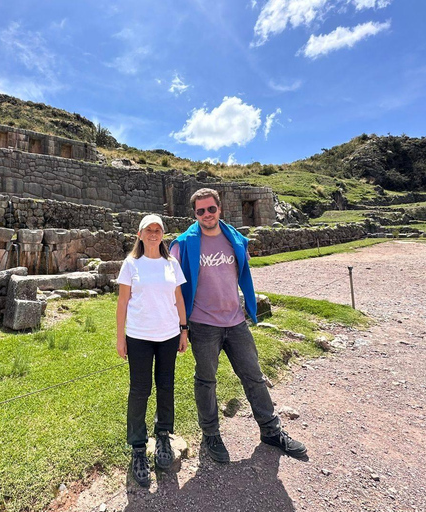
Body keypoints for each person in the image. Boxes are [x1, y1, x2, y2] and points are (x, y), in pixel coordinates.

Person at [169, 188, 306, 463]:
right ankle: (211, 435)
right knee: (206, 381)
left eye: (211, 209)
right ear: (194, 214)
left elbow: (242, 269)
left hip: (235, 321)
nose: (206, 214)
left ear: (219, 209)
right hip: (203, 324)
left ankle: (270, 430)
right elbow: (171, 286)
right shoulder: (182, 244)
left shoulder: (234, 239)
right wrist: (181, 327)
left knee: (253, 376)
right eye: (200, 211)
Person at [116, 214, 188, 488]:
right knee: (140, 389)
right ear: (140, 234)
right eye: (149, 230)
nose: (154, 234)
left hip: (169, 335)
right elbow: (123, 302)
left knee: (166, 386)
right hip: (139, 336)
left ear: (163, 234)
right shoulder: (131, 264)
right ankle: (137, 447)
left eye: (158, 230)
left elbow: (178, 298)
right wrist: (120, 338)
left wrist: (184, 330)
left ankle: (163, 436)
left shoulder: (172, 263)